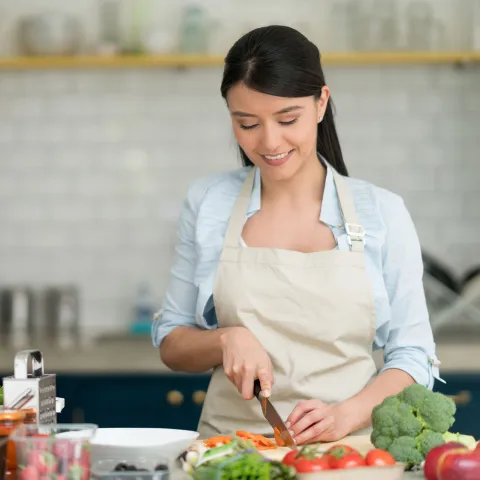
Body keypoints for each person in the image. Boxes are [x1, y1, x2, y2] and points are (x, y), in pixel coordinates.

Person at [152, 25, 442, 445]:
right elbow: (172, 343)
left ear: (321, 102)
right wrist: (225, 339)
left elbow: (414, 356)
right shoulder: (208, 202)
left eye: (288, 119)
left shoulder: (382, 212)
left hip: (348, 454)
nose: (270, 142)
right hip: (231, 454)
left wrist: (345, 416)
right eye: (247, 123)